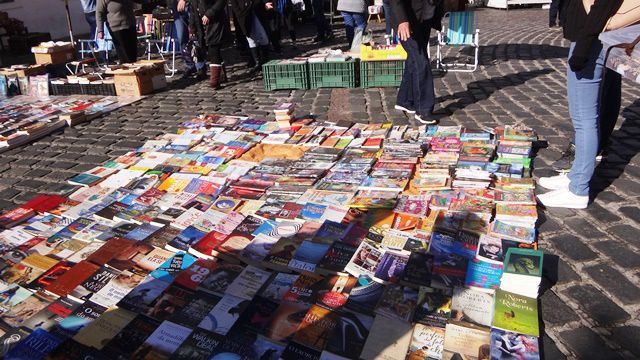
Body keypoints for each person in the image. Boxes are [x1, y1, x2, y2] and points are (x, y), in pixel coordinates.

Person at [537, 0, 623, 209]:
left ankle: (579, 189)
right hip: (587, 37)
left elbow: (603, 5)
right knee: (581, 118)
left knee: (585, 120)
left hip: (591, 39)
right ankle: (575, 176)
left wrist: (584, 44)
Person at [389, 0, 443, 125]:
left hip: (425, 17)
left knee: (413, 60)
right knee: (421, 61)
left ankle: (405, 100)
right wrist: (402, 20)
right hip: (406, 20)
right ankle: (423, 110)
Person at [190, 0, 231, 88]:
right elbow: (193, 9)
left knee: (213, 49)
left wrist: (210, 13)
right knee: (212, 50)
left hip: (216, 23)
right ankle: (222, 76)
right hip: (202, 27)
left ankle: (215, 80)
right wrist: (192, 28)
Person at [230, 0, 272, 73]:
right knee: (251, 38)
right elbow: (235, 6)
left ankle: (265, 61)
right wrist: (240, 16)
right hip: (244, 15)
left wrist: (266, 3)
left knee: (263, 36)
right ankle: (257, 63)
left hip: (258, 11)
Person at [168, 0, 207, 78]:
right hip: (176, 6)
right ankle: (189, 65)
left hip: (191, 4)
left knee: (195, 35)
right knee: (181, 37)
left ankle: (200, 65)